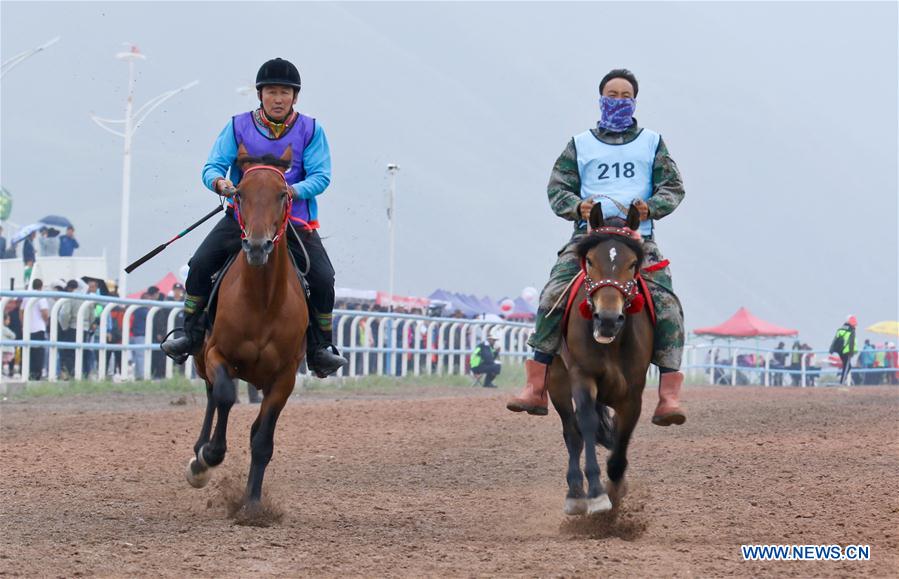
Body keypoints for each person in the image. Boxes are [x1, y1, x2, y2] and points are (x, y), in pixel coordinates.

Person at [506, 69, 687, 425]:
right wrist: (577, 207)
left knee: (667, 305)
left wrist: (651, 206)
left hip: (638, 239)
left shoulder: (653, 142)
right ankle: (536, 385)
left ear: (634, 101)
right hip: (589, 237)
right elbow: (558, 188)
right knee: (552, 295)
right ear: (600, 98)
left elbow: (673, 187)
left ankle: (668, 395)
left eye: (625, 95)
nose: (618, 100)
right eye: (611, 94)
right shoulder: (579, 144)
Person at [161, 57, 347, 378]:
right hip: (243, 218)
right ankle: (189, 333)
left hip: (294, 222)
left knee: (323, 278)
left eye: (285, 93)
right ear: (260, 95)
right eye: (272, 92)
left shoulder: (311, 130)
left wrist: (291, 190)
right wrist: (220, 183)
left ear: (295, 97)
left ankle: (319, 347)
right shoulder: (237, 126)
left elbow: (322, 176)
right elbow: (212, 167)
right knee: (200, 263)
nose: (278, 98)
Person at [23, 278, 50, 380]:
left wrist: (23, 324)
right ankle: (37, 375)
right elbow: (45, 312)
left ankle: (28, 373)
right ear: (41, 286)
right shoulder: (41, 297)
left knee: (28, 352)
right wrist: (46, 322)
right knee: (38, 353)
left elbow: (21, 311)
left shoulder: (27, 296)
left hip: (28, 328)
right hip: (39, 328)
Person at [830, 315, 857, 385]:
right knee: (846, 367)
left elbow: (835, 339)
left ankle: (841, 380)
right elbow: (851, 342)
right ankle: (841, 382)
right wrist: (851, 352)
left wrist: (831, 349)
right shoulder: (851, 330)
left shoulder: (841, 329)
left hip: (840, 351)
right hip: (847, 351)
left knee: (847, 366)